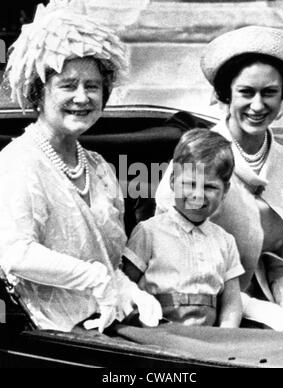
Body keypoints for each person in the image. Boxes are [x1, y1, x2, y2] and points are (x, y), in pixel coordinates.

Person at [0, 0, 162, 333]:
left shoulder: (99, 167)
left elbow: (108, 259)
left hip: (110, 326)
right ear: (38, 93)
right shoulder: (19, 162)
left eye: (92, 86)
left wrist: (128, 289)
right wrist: (95, 279)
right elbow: (15, 253)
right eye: (68, 85)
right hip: (47, 338)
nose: (82, 97)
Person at [155, 26, 283, 332]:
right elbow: (173, 264)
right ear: (226, 95)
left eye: (270, 92)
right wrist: (258, 309)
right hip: (205, 314)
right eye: (246, 92)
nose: (258, 106)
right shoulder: (195, 159)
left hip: (279, 306)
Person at [123, 128, 244, 328]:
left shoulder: (225, 241)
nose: (197, 195)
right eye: (189, 184)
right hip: (156, 333)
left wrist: (226, 336)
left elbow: (232, 301)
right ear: (172, 182)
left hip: (206, 340)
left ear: (225, 191)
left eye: (210, 187)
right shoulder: (149, 232)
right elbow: (126, 284)